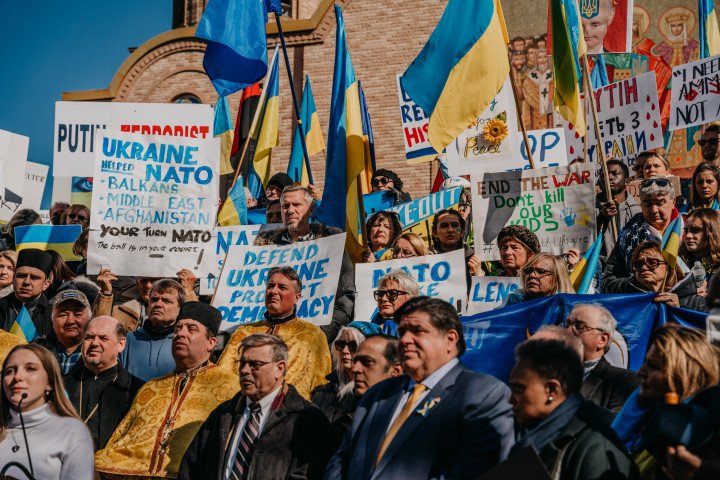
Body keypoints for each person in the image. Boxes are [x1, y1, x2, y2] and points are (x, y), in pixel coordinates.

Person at [326, 297, 515, 479]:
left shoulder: (485, 393)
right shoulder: (378, 393)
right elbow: (342, 459)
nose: (405, 340)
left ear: (450, 339)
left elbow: (477, 469)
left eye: (417, 331)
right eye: (402, 332)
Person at [95, 302, 239, 478]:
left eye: (191, 329)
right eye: (178, 329)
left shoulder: (231, 386)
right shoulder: (151, 387)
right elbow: (121, 439)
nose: (180, 334)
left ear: (211, 343)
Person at [178, 334, 330, 480]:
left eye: (255, 365)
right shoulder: (223, 414)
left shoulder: (308, 420)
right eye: (242, 363)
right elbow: (191, 467)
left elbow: (310, 473)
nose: (244, 370)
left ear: (279, 368)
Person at [509, 339, 638, 479]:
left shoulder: (596, 447)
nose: (511, 399)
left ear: (552, 390)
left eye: (519, 389)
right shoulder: (529, 434)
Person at [612, 324, 720, 478]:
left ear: (684, 374)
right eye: (645, 362)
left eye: (653, 366)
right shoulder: (638, 406)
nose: (640, 372)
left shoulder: (702, 439)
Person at [254, 185, 354, 340]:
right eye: (285, 206)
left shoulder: (332, 244)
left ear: (311, 209)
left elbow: (345, 298)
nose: (290, 210)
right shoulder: (263, 248)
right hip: (268, 340)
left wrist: (320, 334)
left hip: (314, 339)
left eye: (297, 204)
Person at [218, 267, 331, 400]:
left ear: (297, 297)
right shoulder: (243, 332)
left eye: (282, 287)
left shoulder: (313, 335)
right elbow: (223, 376)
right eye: (270, 286)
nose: (273, 291)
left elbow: (320, 385)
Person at [0, 344, 94, 479]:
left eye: (30, 369)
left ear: (49, 382)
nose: (17, 377)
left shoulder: (72, 432)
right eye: (10, 371)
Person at [63, 316, 144, 450]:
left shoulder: (138, 391)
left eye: (103, 338)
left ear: (121, 344)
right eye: (89, 337)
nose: (94, 343)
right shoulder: (61, 384)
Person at [602, 177, 678, 289]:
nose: (654, 210)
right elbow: (608, 281)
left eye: (659, 203)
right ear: (641, 204)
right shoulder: (627, 235)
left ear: (673, 202)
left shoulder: (689, 230)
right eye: (648, 204)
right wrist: (637, 283)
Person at [564, 304, 639, 413]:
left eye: (579, 326)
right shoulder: (546, 371)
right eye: (567, 324)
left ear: (602, 339)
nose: (568, 331)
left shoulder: (625, 382)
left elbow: (614, 426)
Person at [312, 322, 381, 427]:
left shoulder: (376, 395)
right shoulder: (322, 393)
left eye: (353, 345)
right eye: (341, 344)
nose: (345, 350)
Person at [607, 241, 707, 311]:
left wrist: (677, 311)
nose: (644, 267)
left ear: (668, 266)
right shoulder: (625, 298)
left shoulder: (697, 303)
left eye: (652, 262)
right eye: (638, 263)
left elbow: (707, 337)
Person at [120, 278, 188, 381]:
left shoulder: (184, 342)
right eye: (154, 299)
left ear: (180, 308)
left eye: (166, 301)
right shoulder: (128, 339)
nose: (158, 304)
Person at [94, 268, 198, 331]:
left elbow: (197, 327)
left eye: (154, 280)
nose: (148, 286)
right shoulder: (121, 308)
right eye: (144, 280)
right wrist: (106, 292)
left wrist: (188, 292)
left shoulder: (180, 306)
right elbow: (98, 329)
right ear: (137, 283)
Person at [35, 289, 92, 374]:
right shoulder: (37, 350)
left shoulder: (97, 350)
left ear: (89, 318)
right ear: (52, 319)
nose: (70, 321)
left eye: (77, 314)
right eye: (63, 315)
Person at [0, 248, 54, 337]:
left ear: (45, 284)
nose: (26, 282)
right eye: (21, 276)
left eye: (34, 277)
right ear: (13, 278)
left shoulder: (53, 314)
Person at [597, 159, 642, 255]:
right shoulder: (589, 211)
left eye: (615, 173)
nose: (609, 177)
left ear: (626, 181)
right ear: (599, 182)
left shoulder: (637, 212)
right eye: (604, 175)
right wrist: (600, 219)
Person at [503, 253, 575, 306]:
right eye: (528, 270)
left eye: (541, 271)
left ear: (557, 278)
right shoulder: (513, 300)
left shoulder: (567, 306)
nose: (532, 275)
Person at [430, 208, 482, 277]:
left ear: (462, 231)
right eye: (444, 226)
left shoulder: (475, 259)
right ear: (435, 233)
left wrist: (478, 273)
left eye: (455, 225)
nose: (450, 230)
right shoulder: (425, 259)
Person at [370, 269, 420, 336]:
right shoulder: (367, 328)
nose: (383, 298)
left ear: (411, 298)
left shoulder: (423, 329)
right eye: (380, 294)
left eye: (392, 293)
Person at [681, 208, 720, 278]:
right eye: (686, 230)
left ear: (711, 231)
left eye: (695, 230)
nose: (688, 236)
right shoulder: (678, 261)